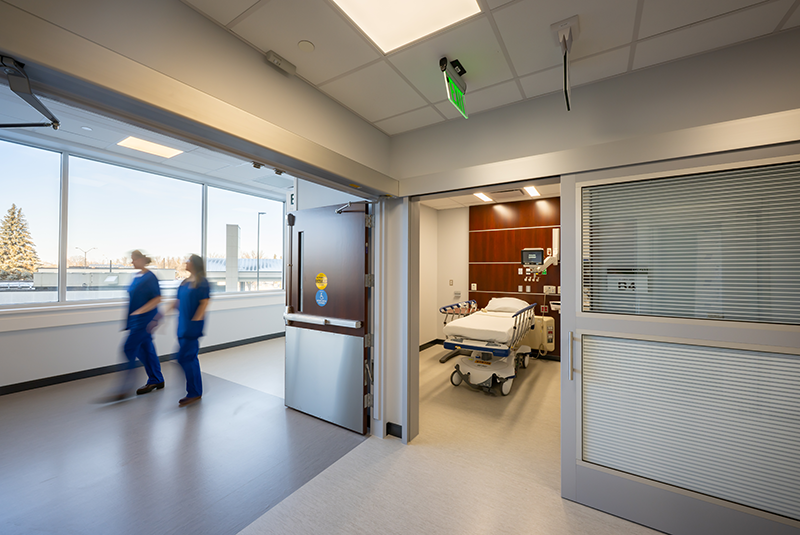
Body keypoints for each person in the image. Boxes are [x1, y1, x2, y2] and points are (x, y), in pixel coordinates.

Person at [104, 250, 164, 401]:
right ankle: (157, 379)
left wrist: (140, 312)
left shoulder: (150, 277)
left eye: (134, 260)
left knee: (128, 349)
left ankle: (124, 388)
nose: (132, 262)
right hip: (135, 322)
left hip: (144, 321)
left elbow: (157, 299)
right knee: (146, 350)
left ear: (142, 260)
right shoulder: (136, 276)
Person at [173, 254, 210, 407]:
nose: (185, 262)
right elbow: (176, 302)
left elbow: (204, 303)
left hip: (192, 327)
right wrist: (159, 315)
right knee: (188, 358)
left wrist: (195, 322)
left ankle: (195, 391)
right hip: (182, 326)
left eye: (188, 260)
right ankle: (195, 390)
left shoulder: (202, 282)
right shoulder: (184, 282)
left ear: (194, 264)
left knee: (185, 357)